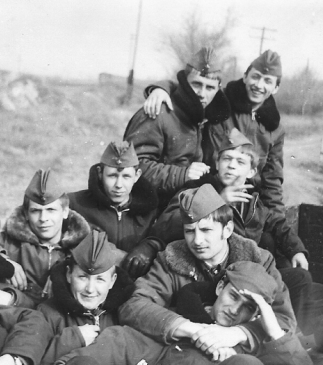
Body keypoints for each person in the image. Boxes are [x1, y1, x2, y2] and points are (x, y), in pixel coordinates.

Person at [151, 128, 314, 333]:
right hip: (214, 275)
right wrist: (218, 201)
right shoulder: (197, 191)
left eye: (240, 162)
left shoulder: (254, 202)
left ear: (251, 172)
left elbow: (277, 224)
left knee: (300, 278)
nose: (231, 166)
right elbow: (165, 225)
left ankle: (299, 336)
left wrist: (296, 249)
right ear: (217, 164)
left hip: (247, 274)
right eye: (226, 159)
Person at [118, 184, 296, 358]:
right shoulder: (171, 258)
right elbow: (134, 305)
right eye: (189, 231)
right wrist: (193, 330)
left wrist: (238, 333)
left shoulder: (259, 260)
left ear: (227, 229)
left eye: (206, 230)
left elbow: (284, 320)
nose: (197, 240)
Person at [144, 50, 285, 216]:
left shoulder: (275, 128)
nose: (259, 85)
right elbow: (190, 89)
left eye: (267, 81)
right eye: (255, 77)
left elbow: (272, 181)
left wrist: (278, 219)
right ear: (245, 76)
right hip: (207, 191)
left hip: (246, 201)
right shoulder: (220, 102)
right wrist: (160, 89)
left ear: (275, 88)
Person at [123, 47, 231, 204]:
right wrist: (183, 174)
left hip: (186, 204)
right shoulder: (157, 112)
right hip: (152, 209)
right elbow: (132, 166)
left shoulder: (209, 118)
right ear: (185, 83)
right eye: (196, 84)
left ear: (218, 89)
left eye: (209, 87)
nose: (202, 93)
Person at [40, 229, 163, 365]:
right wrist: (72, 339)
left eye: (100, 279)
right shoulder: (48, 313)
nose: (90, 289)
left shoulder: (126, 312)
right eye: (82, 277)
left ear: (112, 281)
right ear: (69, 275)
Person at [159, 261, 312, 365]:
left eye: (249, 307)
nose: (234, 310)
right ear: (220, 288)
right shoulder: (179, 320)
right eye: (233, 296)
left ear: (256, 315)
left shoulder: (259, 344)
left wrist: (275, 332)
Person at [0, 168, 91, 308]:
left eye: (51, 210)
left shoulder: (84, 244)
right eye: (36, 211)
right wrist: (3, 260)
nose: (43, 219)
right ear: (25, 213)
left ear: (65, 212)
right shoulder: (11, 241)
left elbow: (111, 257)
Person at [68, 141, 160, 278]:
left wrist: (150, 246)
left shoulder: (151, 210)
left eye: (126, 177)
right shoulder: (75, 203)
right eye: (112, 176)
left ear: (137, 176)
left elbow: (164, 237)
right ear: (100, 173)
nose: (119, 185)